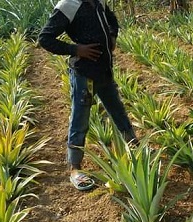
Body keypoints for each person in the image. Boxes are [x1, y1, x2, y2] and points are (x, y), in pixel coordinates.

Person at [38, 0, 137, 191]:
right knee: (80, 119)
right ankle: (75, 167)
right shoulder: (69, 5)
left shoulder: (97, 1)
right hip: (85, 75)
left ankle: (134, 146)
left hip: (104, 71)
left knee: (118, 110)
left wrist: (112, 35)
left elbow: (112, 18)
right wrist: (75, 50)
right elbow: (45, 38)